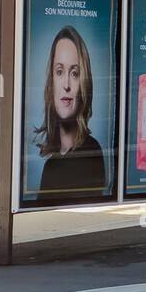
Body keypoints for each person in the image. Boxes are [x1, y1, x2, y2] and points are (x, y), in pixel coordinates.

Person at [34, 25, 106, 198]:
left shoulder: (91, 152)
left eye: (74, 74)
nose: (66, 84)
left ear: (84, 84)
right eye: (59, 72)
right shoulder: (51, 164)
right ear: (51, 82)